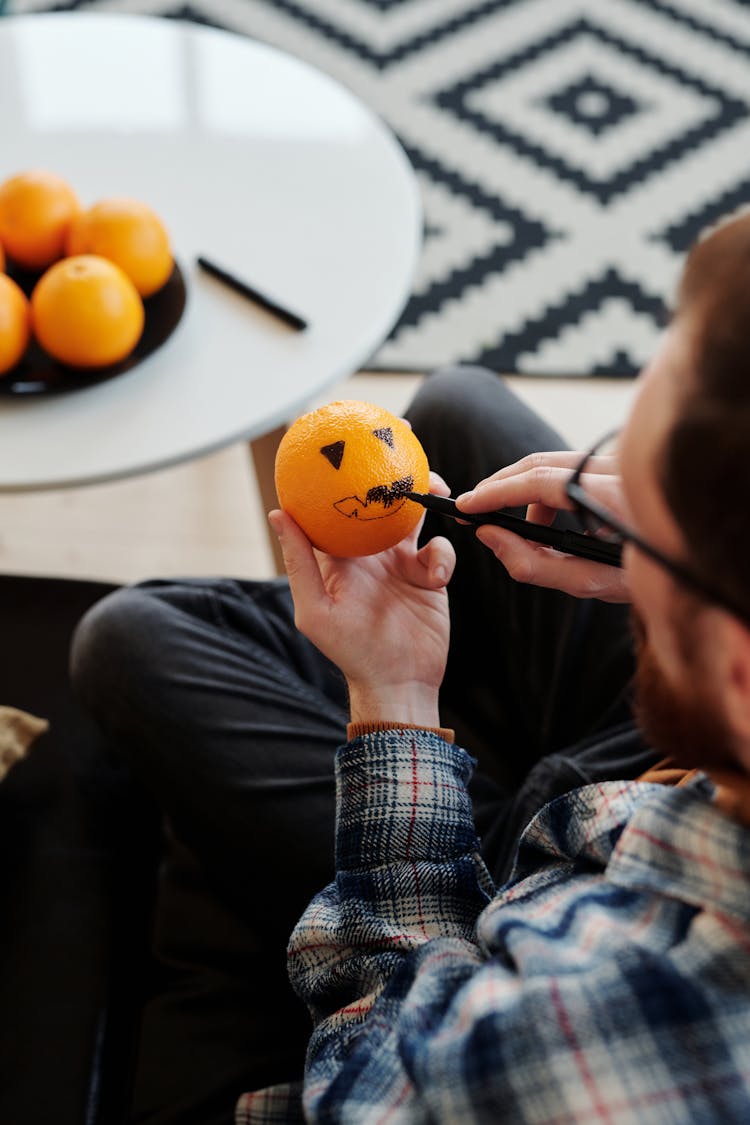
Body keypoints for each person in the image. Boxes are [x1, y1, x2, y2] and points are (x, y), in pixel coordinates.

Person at [70, 211, 750, 1124]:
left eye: (648, 497)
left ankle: (481, 789)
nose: (615, 497)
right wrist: (669, 554)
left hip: (487, 926)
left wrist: (394, 701)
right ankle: (502, 771)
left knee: (131, 639)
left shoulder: (598, 1040)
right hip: (642, 809)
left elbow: (371, 1063)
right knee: (458, 407)